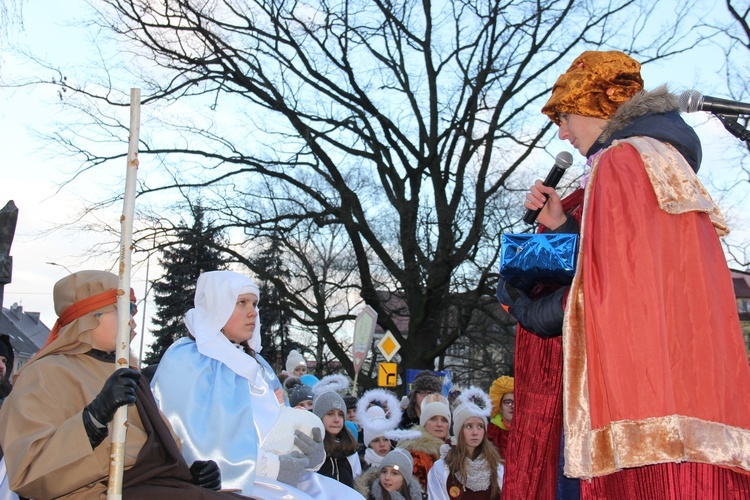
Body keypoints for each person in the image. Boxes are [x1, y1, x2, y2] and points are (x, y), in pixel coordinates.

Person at [499, 50, 750, 498]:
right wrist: (563, 227)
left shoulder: (621, 162)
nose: (562, 131)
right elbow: (637, 269)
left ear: (599, 105)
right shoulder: (659, 158)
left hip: (627, 401)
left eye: (566, 116)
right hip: (677, 395)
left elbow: (612, 290)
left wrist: (527, 309)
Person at [0, 270, 244, 499]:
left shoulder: (126, 373)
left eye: (133, 310)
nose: (132, 321)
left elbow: (151, 454)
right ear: (89, 317)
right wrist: (93, 418)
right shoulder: (44, 374)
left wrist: (192, 475)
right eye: (123, 309)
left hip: (150, 489)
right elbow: (29, 472)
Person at [151, 270, 360, 499]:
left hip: (274, 476)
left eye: (254, 303)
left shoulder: (258, 364)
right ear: (217, 306)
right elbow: (193, 441)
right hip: (234, 482)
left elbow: (283, 420)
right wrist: (272, 466)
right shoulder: (191, 359)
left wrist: (310, 452)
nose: (253, 312)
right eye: (241, 303)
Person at [427, 387, 504, 499]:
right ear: (459, 430)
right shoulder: (442, 468)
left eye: (480, 426)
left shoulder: (497, 468)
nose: (475, 432)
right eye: (469, 426)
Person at [396, 393, 451, 495]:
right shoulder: (417, 454)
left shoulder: (453, 449)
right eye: (433, 419)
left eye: (444, 420)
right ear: (424, 423)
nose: (439, 424)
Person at [312, 376, 362, 488]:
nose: (336, 420)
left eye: (340, 414)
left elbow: (357, 483)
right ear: (319, 417)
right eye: (330, 414)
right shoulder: (311, 447)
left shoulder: (350, 448)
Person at [356, 388, 402, 471]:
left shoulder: (400, 464)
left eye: (386, 439)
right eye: (376, 440)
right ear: (369, 444)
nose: (382, 444)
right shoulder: (358, 466)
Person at [355, 448, 422, 500]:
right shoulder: (364, 497)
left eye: (394, 473)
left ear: (405, 478)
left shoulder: (419, 497)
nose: (387, 477)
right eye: (384, 472)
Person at [485, 375, 513, 461]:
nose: (513, 407)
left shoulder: (529, 433)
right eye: (508, 402)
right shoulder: (490, 432)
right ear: (500, 407)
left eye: (517, 403)